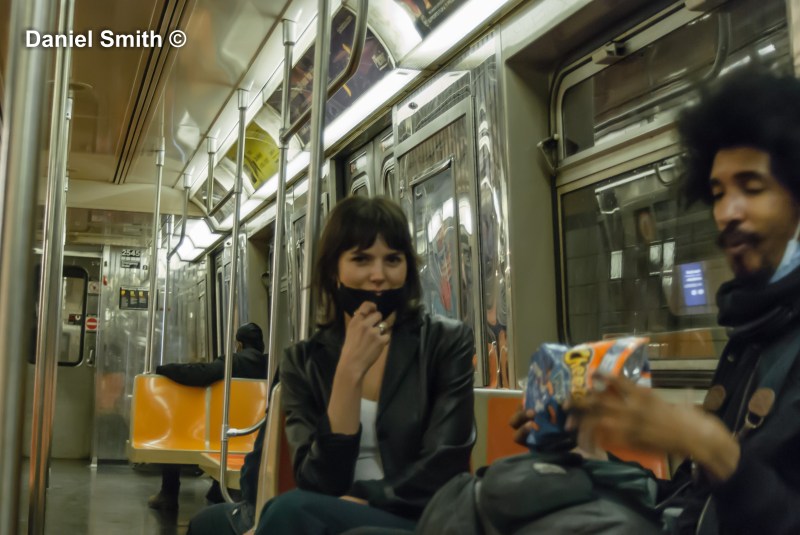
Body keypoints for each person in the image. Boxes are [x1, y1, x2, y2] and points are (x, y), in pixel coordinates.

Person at [513, 70, 800, 534]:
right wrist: (585, 453)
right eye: (718, 193)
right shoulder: (750, 337)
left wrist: (712, 447)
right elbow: (691, 503)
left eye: (752, 187)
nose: (727, 212)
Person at [253, 196, 476, 534]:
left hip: (424, 518)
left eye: (392, 260)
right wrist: (348, 375)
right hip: (331, 515)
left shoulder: (445, 343)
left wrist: (367, 497)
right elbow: (316, 481)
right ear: (334, 270)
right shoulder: (302, 362)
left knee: (289, 513)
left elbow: (445, 463)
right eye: (361, 259)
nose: (378, 276)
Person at [147, 322, 268, 510]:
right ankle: (217, 490)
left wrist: (165, 370)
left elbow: (201, 374)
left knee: (177, 432)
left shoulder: (233, 362)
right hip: (260, 432)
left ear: (240, 345)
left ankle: (168, 493)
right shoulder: (271, 364)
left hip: (227, 430)